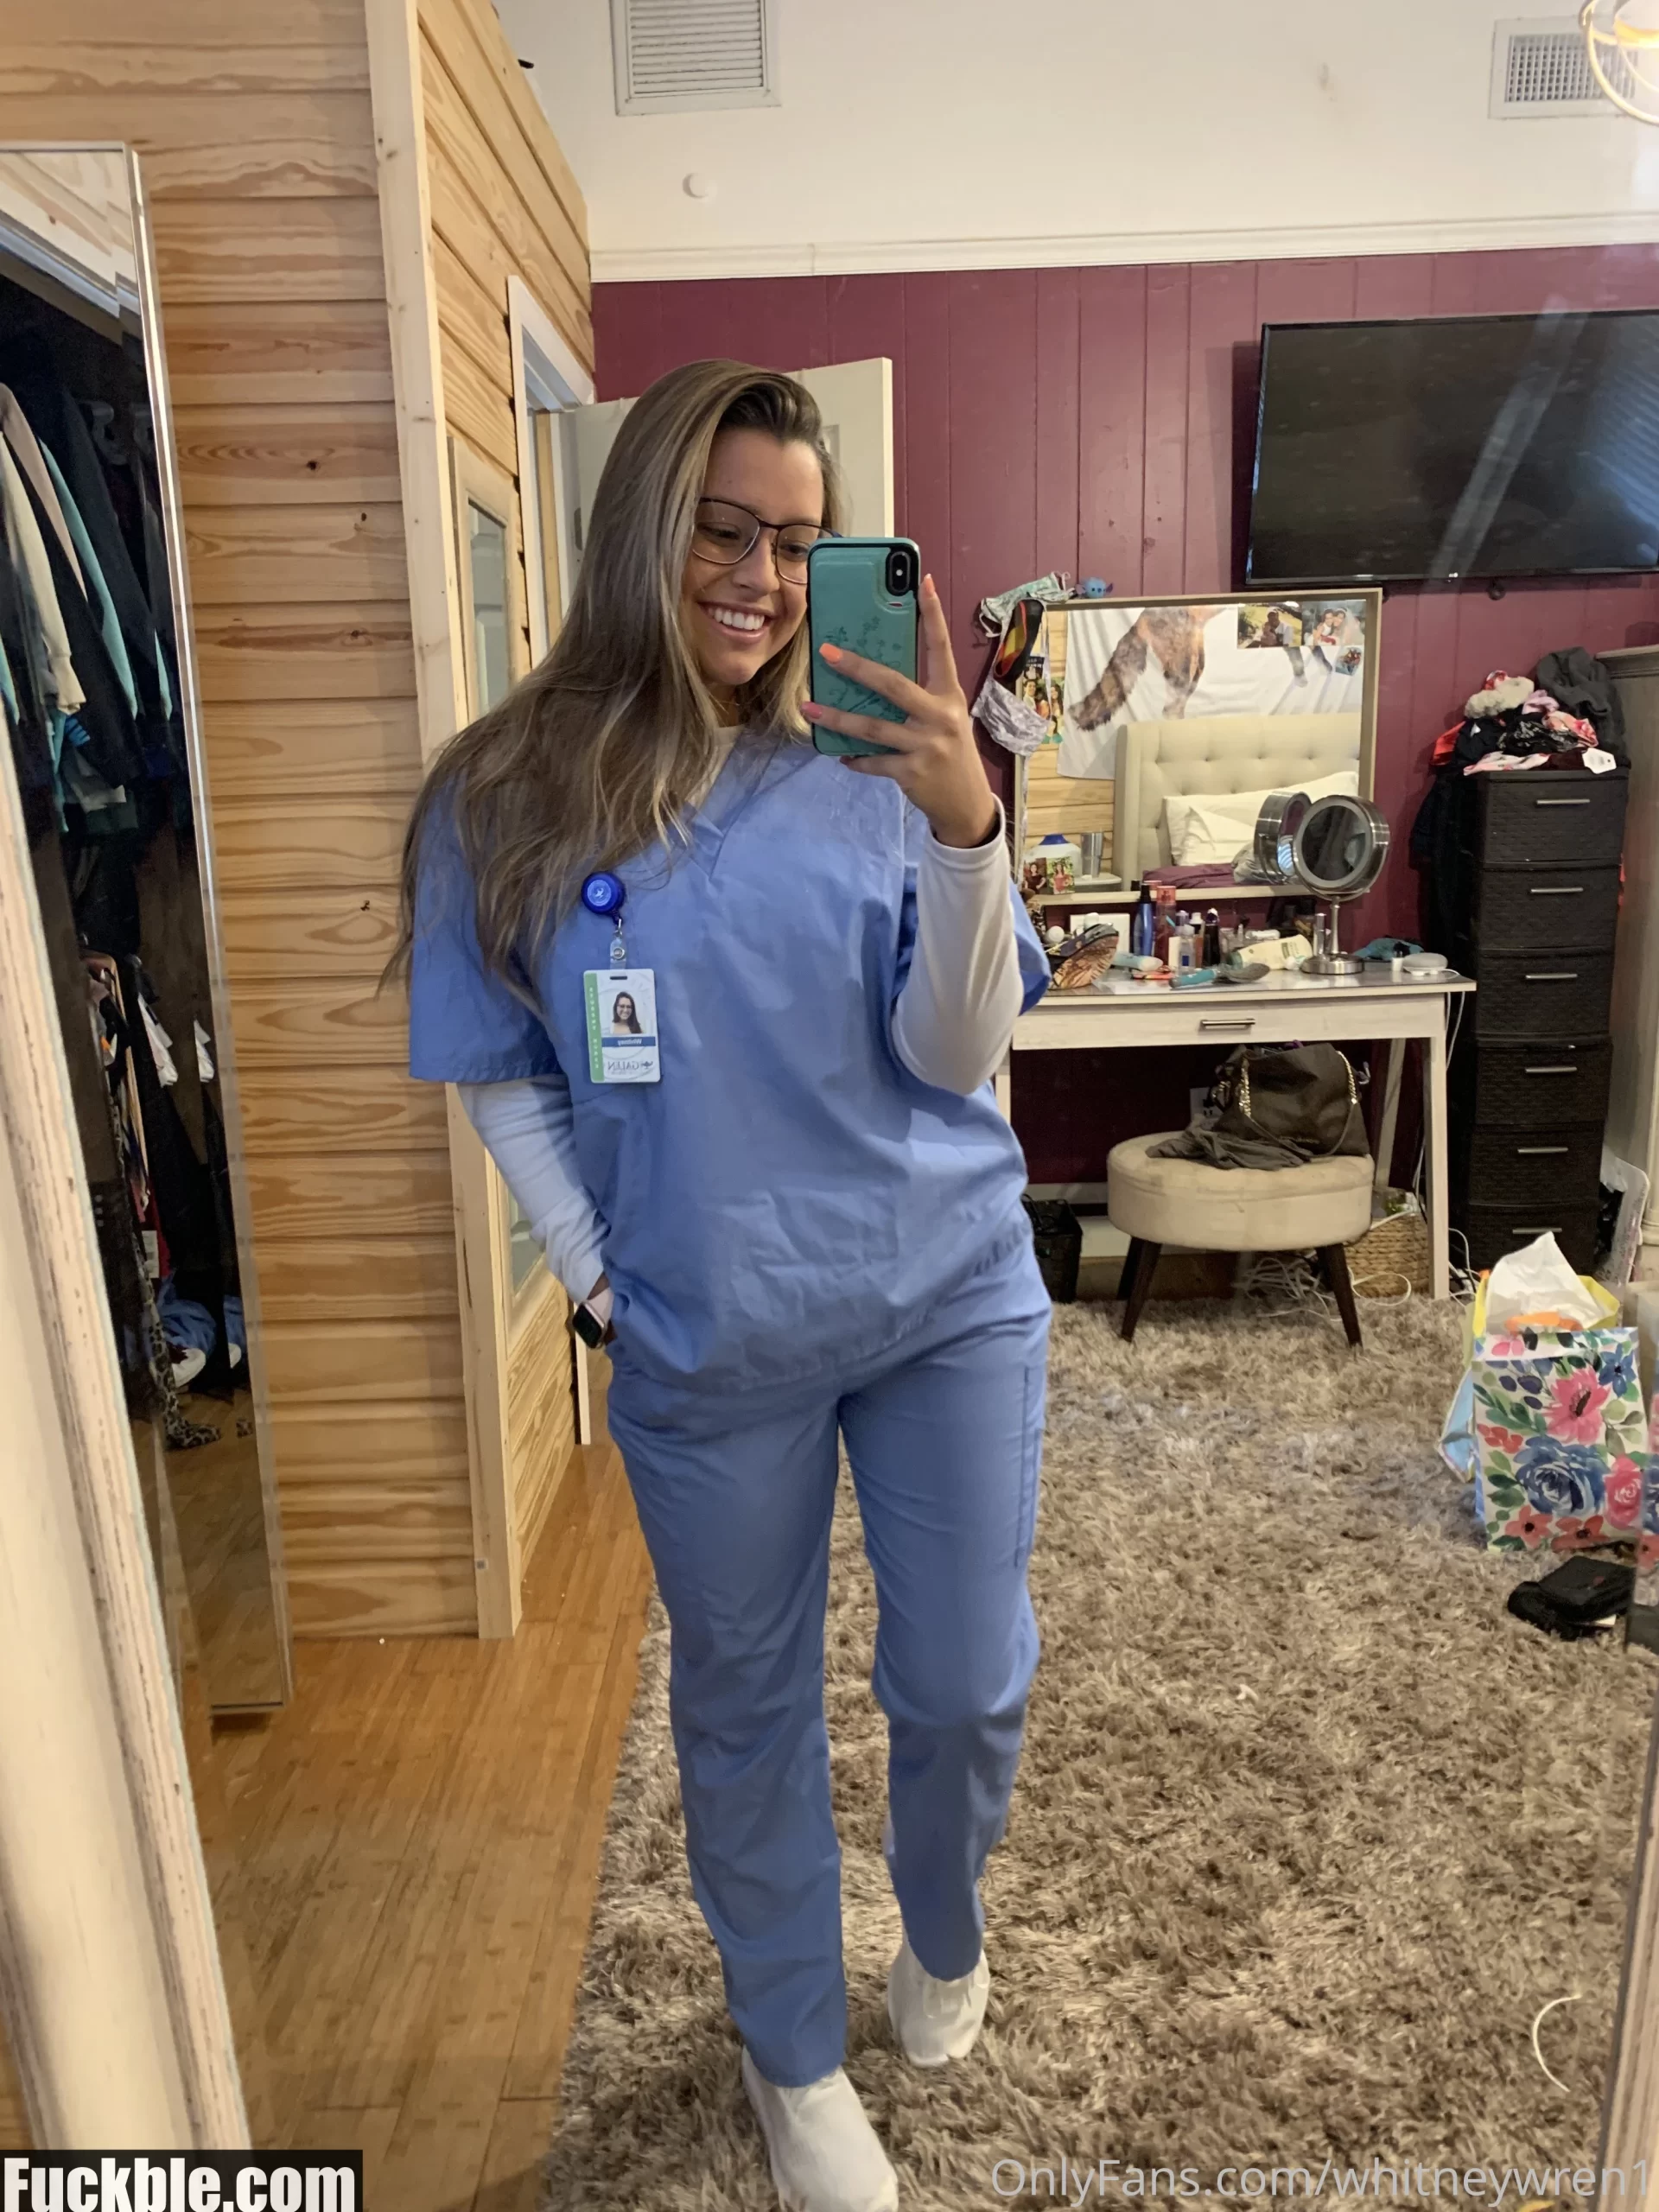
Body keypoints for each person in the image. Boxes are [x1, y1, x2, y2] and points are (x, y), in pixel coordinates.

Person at [391, 359, 1052, 2212]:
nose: (762, 578)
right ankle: (791, 2055)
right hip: (710, 1327)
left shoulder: (881, 752)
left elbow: (959, 1051)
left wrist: (966, 826)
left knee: (965, 1679)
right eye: (724, 528)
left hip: (943, 1292)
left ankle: (943, 1918)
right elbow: (506, 1066)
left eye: (799, 540)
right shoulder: (505, 792)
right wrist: (600, 1277)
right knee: (747, 1709)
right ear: (644, 527)